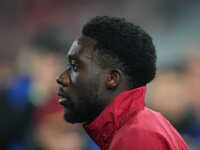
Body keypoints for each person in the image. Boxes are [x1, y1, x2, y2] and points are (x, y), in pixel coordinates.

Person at [56, 16, 189, 150]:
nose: (61, 78)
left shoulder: (137, 137)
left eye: (75, 67)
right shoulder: (139, 126)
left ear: (112, 79)